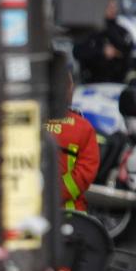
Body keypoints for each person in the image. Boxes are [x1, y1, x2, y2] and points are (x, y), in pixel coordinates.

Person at [46, 67, 100, 212]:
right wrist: (56, 192)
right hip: (71, 216)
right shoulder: (82, 127)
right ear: (67, 90)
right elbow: (86, 172)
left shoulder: (25, 123)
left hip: (28, 212)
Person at [74, 0, 134, 85]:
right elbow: (77, 51)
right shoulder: (90, 31)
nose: (112, 10)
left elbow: (128, 52)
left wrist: (116, 52)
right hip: (91, 84)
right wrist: (101, 51)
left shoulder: (122, 32)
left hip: (117, 84)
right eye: (109, 7)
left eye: (114, 7)